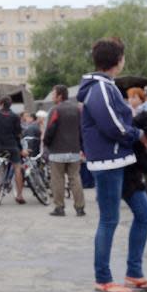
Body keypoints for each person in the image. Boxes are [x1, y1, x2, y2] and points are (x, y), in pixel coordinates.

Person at [78, 37, 147, 292]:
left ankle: (134, 273)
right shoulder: (101, 88)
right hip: (109, 162)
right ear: (118, 60)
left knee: (145, 213)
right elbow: (112, 125)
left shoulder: (103, 87)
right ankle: (103, 278)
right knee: (109, 220)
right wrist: (136, 135)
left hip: (120, 160)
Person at [44, 85, 86, 217]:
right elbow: (82, 129)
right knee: (75, 178)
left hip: (57, 151)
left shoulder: (55, 110)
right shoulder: (77, 109)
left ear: (60, 96)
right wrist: (81, 147)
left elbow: (50, 129)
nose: (52, 96)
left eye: (53, 94)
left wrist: (46, 143)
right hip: (74, 150)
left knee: (58, 180)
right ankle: (80, 208)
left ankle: (59, 208)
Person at [0, 96, 27, 204]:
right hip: (12, 146)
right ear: (10, 105)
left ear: (1, 103)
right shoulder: (15, 116)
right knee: (17, 167)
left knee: (0, 167)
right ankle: (20, 195)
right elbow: (18, 133)